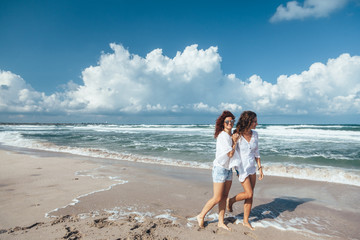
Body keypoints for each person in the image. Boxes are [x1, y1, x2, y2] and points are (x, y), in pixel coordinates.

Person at [197, 110, 240, 231]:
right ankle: (201, 216)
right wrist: (235, 142)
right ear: (223, 123)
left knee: (224, 197)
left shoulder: (230, 136)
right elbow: (231, 154)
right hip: (220, 169)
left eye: (232, 121)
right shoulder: (223, 136)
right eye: (227, 121)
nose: (230, 123)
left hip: (228, 169)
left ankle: (220, 222)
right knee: (217, 197)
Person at [226, 111, 264, 230]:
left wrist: (260, 168)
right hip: (241, 168)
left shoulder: (255, 134)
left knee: (250, 196)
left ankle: (246, 221)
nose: (257, 124)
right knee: (249, 193)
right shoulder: (237, 134)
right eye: (254, 121)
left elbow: (256, 152)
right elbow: (231, 153)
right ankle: (231, 201)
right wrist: (235, 141)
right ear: (248, 121)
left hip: (251, 167)